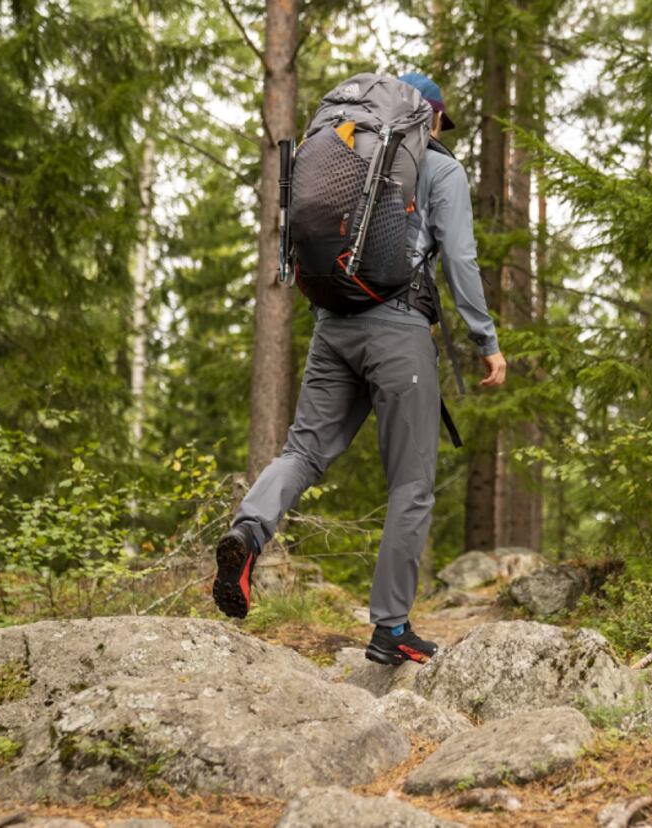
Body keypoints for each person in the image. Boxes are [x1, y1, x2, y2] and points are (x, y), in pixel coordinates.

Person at [212, 72, 506, 666]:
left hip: (332, 322)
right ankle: (391, 627)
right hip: (398, 332)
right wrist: (486, 340)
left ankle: (249, 530)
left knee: (303, 451)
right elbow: (460, 258)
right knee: (411, 483)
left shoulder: (342, 144)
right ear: (433, 116)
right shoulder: (440, 166)